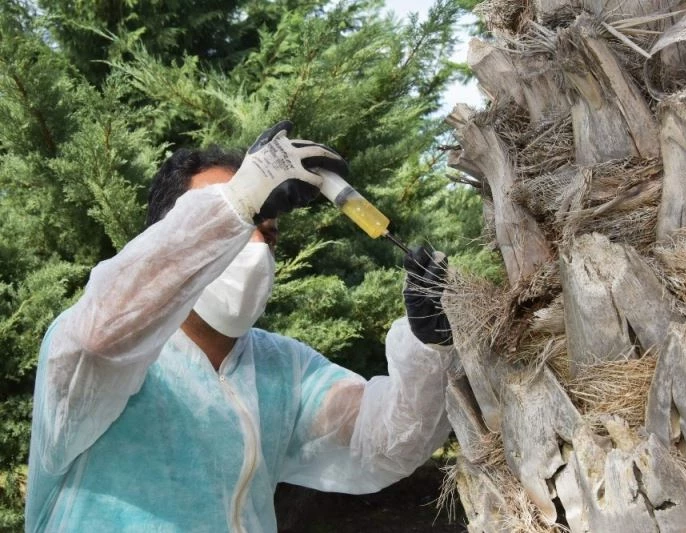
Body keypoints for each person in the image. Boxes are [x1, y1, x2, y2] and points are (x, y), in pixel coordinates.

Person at [25, 121, 455, 532]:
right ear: (167, 235)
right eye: (233, 225)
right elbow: (95, 341)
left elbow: (384, 441)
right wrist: (243, 195)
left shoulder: (283, 369)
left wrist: (428, 349)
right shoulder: (102, 341)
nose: (253, 248)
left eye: (265, 232)